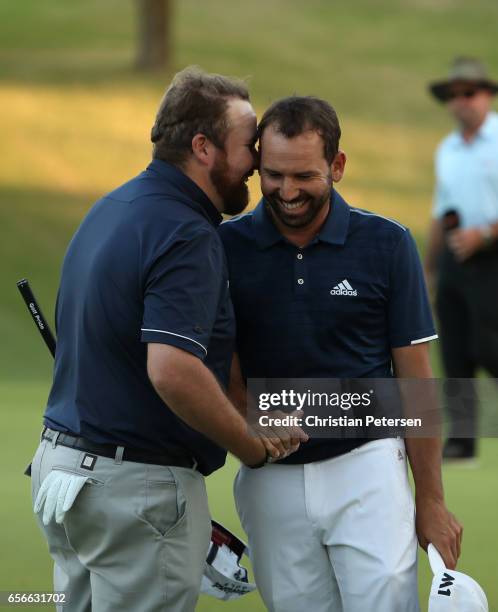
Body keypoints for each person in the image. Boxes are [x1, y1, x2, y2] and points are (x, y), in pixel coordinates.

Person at [29, 67, 295, 612]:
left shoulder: (112, 208)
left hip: (64, 476)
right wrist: (250, 446)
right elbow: (172, 369)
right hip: (134, 491)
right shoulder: (188, 232)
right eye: (250, 147)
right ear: (204, 147)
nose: (259, 164)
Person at [219, 96, 462, 612]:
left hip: (367, 467)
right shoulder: (223, 246)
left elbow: (416, 385)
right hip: (270, 475)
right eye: (273, 174)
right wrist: (245, 415)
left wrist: (431, 499)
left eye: (304, 176)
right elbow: (223, 365)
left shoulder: (388, 243)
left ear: (338, 166)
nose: (286, 192)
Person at [424, 57, 498, 460]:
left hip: (493, 255)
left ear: (486, 95)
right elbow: (441, 209)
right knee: (453, 342)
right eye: (454, 95)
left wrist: (485, 234)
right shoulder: (448, 149)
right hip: (456, 252)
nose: (461, 102)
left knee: (489, 343)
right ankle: (463, 439)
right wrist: (429, 267)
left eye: (469, 93)